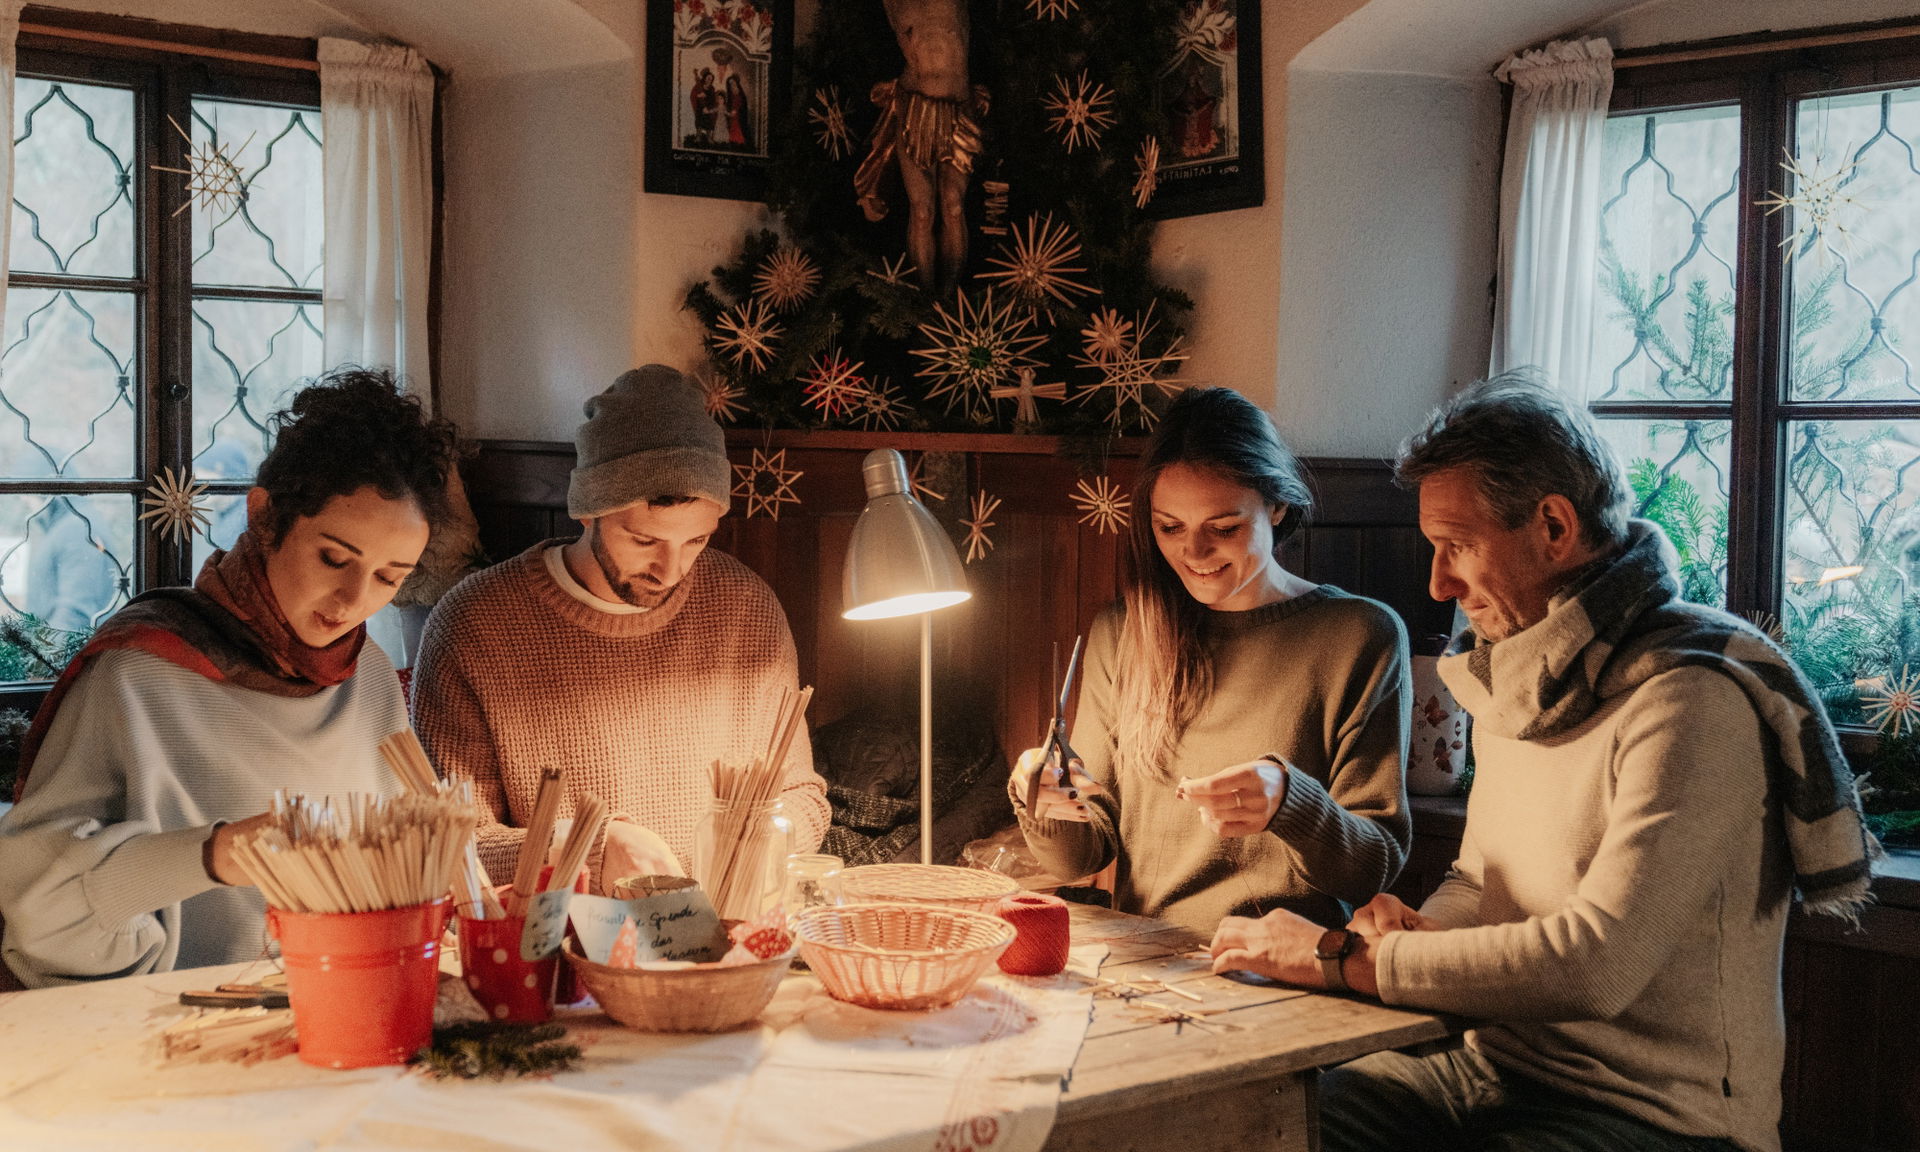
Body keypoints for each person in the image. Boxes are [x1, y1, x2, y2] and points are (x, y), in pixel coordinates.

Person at [1208, 372, 1879, 1152]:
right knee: (1260, 1131)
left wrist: (1342, 957)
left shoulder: (1690, 697)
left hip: (1656, 1118)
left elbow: (1596, 966)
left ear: (1554, 526)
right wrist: (1415, 928)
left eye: (1458, 546)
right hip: (1485, 1067)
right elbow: (1478, 881)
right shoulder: (1520, 667)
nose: (1438, 581)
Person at [0, 369, 456, 986]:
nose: (354, 599)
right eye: (334, 558)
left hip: (345, 994)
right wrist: (214, 855)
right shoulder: (139, 672)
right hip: (168, 1013)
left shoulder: (366, 672)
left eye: (388, 577)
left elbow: (408, 869)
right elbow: (39, 906)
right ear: (264, 517)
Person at [410, 365, 829, 893]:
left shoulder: (746, 608)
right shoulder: (474, 625)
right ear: (588, 512)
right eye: (644, 540)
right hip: (561, 933)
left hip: (726, 925)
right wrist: (585, 845)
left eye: (696, 541)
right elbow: (451, 841)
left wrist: (769, 842)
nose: (671, 571)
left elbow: (802, 794)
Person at [1011, 386, 1412, 937]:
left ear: (1277, 506)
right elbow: (1081, 857)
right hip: (1143, 961)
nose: (1194, 554)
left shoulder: (1359, 634)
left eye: (1223, 528)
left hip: (1286, 964)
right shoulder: (1125, 631)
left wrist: (1292, 805)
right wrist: (1044, 798)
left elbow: (1371, 869)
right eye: (1170, 527)